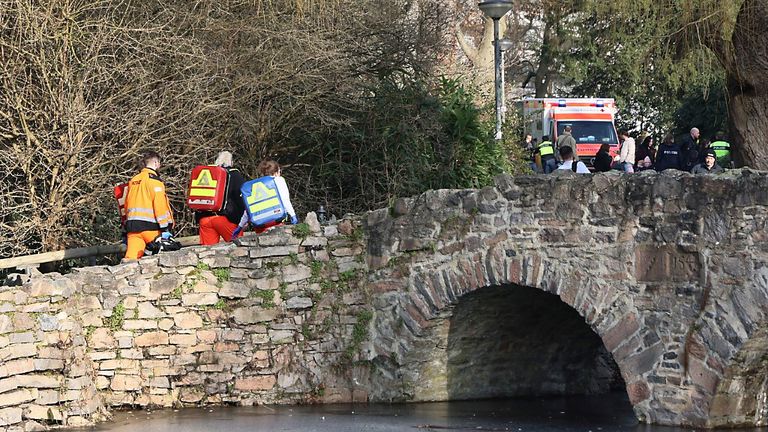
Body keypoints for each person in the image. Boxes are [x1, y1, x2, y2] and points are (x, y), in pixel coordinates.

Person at [123, 151, 175, 260]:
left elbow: (126, 203)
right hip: (152, 229)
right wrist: (166, 227)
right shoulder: (155, 181)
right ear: (156, 163)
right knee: (163, 258)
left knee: (130, 260)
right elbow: (160, 205)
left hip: (133, 229)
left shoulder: (133, 180)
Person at [234, 160, 298, 237]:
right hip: (276, 222)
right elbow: (285, 200)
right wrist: (293, 215)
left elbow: (249, 209)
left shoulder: (253, 186)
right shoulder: (278, 180)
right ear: (276, 172)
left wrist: (240, 226)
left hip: (260, 226)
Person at [195, 151, 247, 245]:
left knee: (207, 254)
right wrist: (243, 220)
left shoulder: (208, 173)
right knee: (239, 249)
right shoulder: (235, 175)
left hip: (204, 219)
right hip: (225, 219)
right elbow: (241, 199)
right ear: (231, 162)